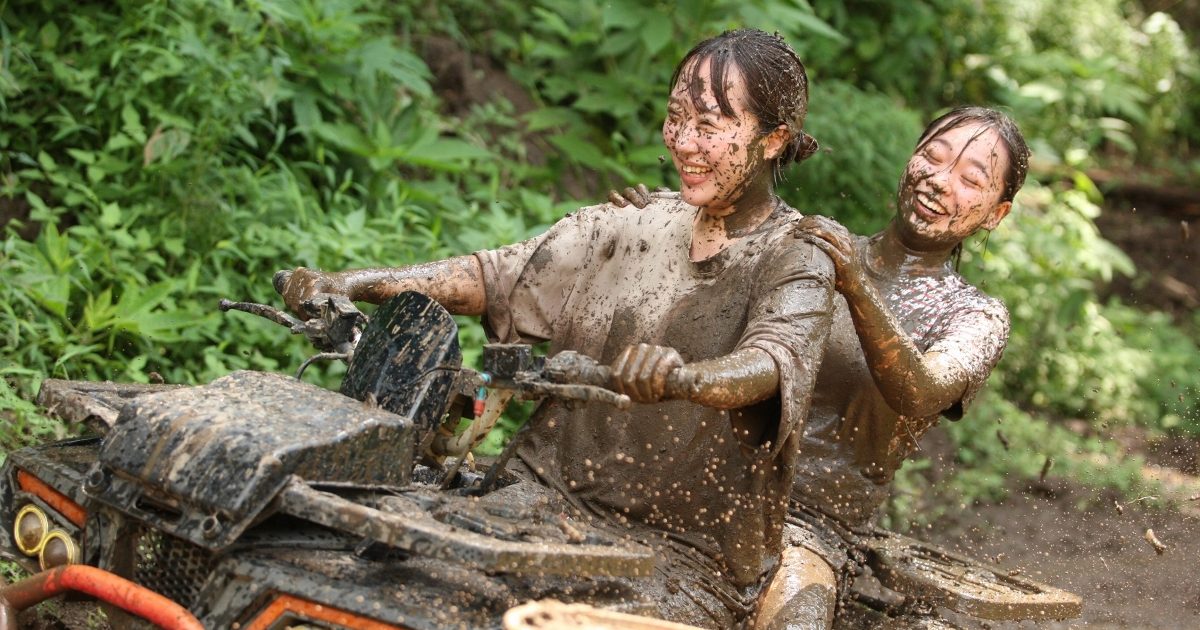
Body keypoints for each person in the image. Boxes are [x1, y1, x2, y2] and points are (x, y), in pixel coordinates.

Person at [278, 29, 833, 628]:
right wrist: (354, 282)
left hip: (677, 558)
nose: (684, 142)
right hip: (529, 502)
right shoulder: (635, 223)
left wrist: (685, 378)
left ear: (773, 140)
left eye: (708, 127)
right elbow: (495, 276)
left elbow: (770, 364)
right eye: (676, 119)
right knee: (367, 578)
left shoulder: (796, 255)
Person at [610, 106, 1029, 628]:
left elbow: (921, 392)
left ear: (996, 212)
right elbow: (700, 296)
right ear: (911, 159)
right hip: (706, 481)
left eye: (971, 179)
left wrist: (856, 286)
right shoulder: (809, 248)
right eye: (934, 157)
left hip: (807, 525)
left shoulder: (974, 314)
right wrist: (658, 229)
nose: (940, 181)